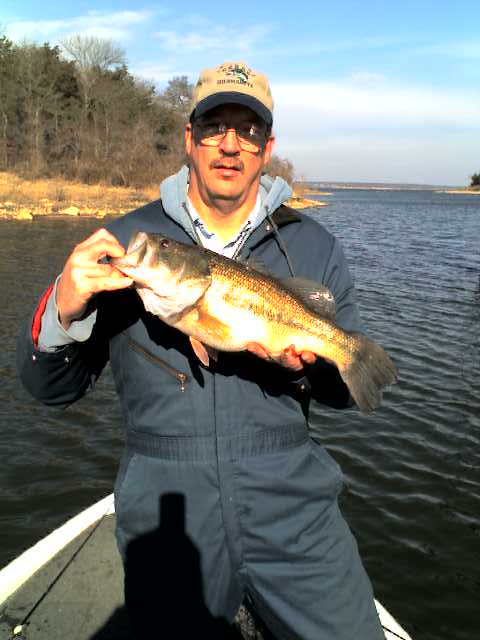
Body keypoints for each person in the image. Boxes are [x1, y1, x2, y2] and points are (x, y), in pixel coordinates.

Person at [17, 61, 385, 639]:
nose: (230, 145)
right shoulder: (126, 242)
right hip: (168, 511)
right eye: (214, 127)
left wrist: (310, 369)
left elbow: (345, 394)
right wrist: (64, 306)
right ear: (189, 138)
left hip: (293, 504)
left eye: (249, 131)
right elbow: (49, 389)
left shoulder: (314, 246)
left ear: (267, 148)